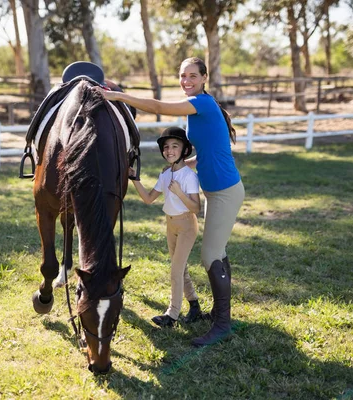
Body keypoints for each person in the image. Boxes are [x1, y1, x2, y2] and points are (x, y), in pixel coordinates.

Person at [96, 57, 245, 347]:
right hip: (214, 190)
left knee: (210, 255)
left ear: (204, 77)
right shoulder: (197, 107)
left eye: (192, 75)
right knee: (217, 251)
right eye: (182, 75)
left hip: (226, 191)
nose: (186, 80)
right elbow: (206, 150)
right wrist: (183, 165)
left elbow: (160, 107)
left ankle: (223, 324)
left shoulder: (201, 103)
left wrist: (117, 96)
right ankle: (218, 313)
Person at [129, 127, 203, 328]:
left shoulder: (188, 176)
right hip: (170, 225)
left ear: (184, 151)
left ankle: (172, 315)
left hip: (187, 225)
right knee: (181, 269)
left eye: (175, 146)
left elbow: (196, 207)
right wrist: (135, 179)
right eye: (166, 147)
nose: (170, 151)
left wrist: (179, 193)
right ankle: (194, 306)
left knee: (175, 270)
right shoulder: (165, 175)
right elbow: (148, 199)